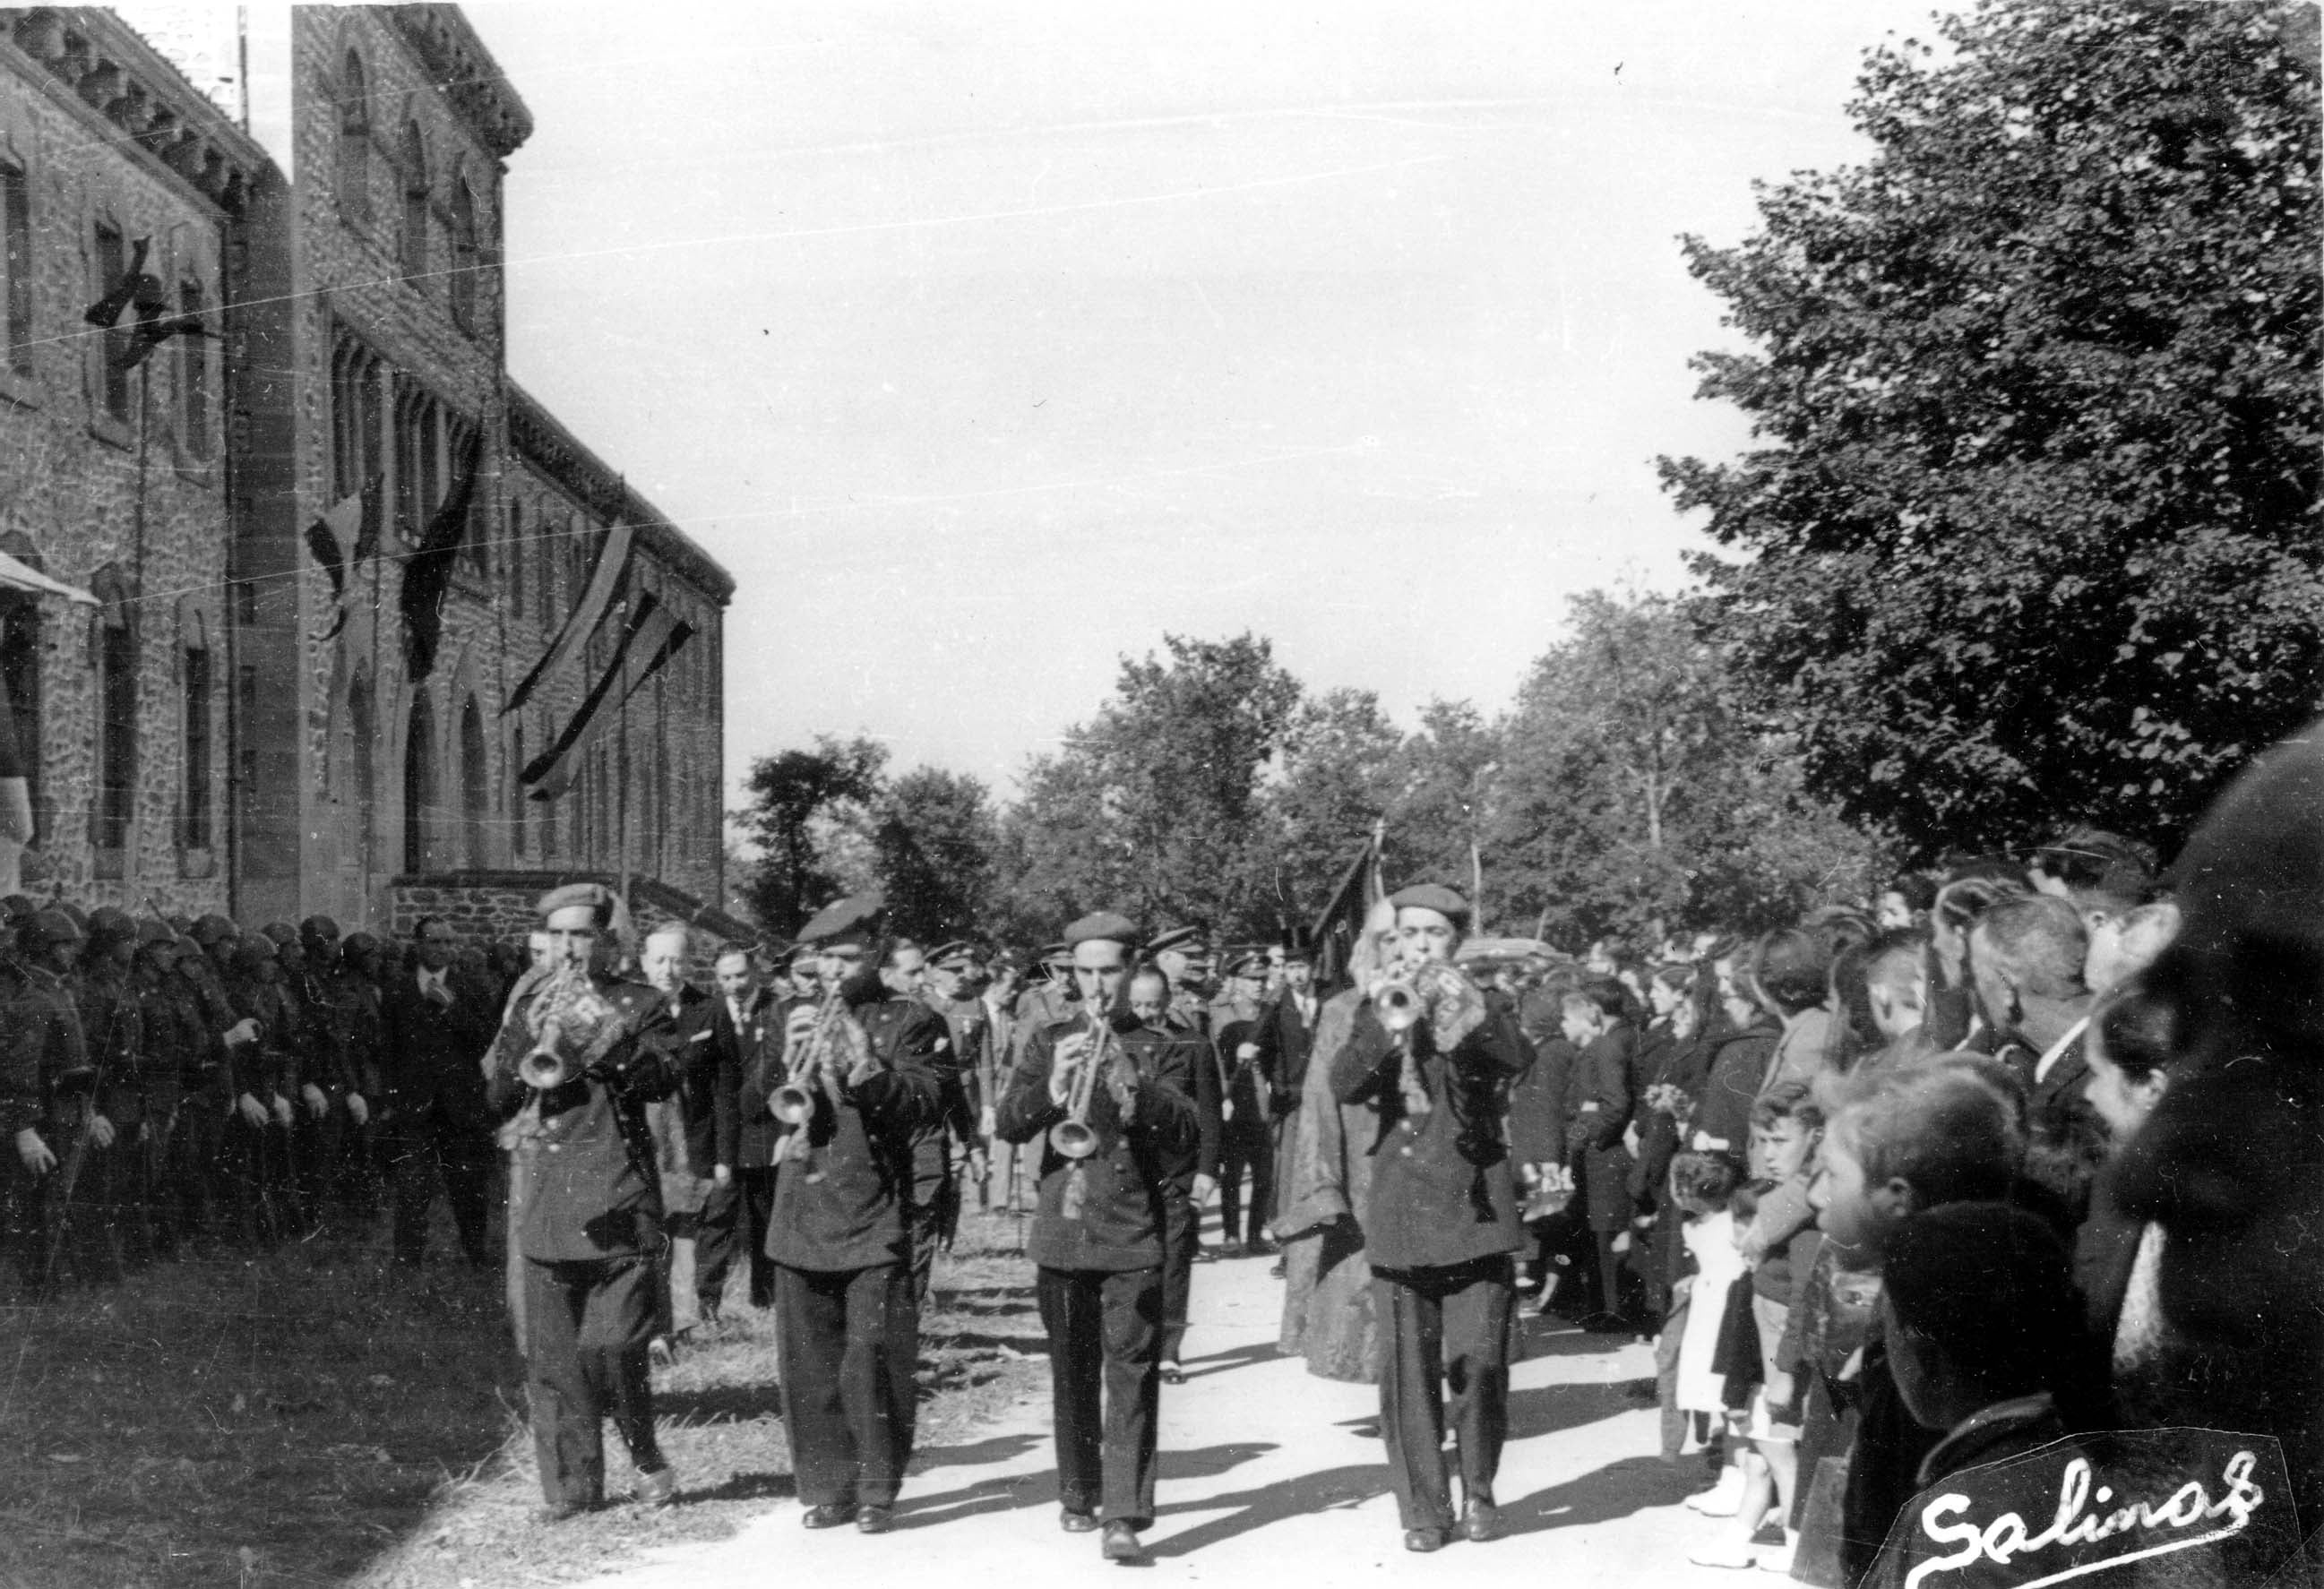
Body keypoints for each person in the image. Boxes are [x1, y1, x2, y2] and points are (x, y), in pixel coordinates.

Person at [1329, 882, 1530, 1552]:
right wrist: (1390, 1029)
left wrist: (1466, 1011)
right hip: (1403, 1210)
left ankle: (1478, 1488)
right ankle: (1422, 1510)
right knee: (1406, 1377)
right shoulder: (1376, 1005)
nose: (1420, 946)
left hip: (1475, 1204)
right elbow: (1345, 1086)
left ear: (1456, 941)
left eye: (1434, 935)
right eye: (1409, 934)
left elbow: (1516, 1059)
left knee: (1480, 1364)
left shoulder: (1487, 1004)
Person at [996, 919, 1200, 1563]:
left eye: (1108, 971)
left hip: (1132, 1227)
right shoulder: (1051, 1038)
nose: (1095, 984)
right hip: (1063, 1229)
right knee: (1072, 1373)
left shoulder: (1168, 1044)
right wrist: (1053, 1088)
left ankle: (1125, 1513)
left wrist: (1134, 1088)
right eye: (1083, 972)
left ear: (1130, 969)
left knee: (1131, 1373)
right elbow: (1006, 1122)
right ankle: (1079, 1491)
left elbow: (1190, 1128)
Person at [487, 883, 682, 1521]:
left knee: (612, 1348)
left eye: (582, 935)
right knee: (554, 1359)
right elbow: (495, 1100)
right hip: (548, 1193)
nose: (569, 948)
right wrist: (523, 1036)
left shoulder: (642, 1003)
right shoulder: (529, 999)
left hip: (618, 1189)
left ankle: (646, 1455)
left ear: (608, 939)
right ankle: (572, 1489)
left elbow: (662, 1080)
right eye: (559, 936)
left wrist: (608, 1035)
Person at [759, 893, 942, 1534]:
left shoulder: (909, 1020)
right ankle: (828, 1486)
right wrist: (788, 1063)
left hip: (874, 1205)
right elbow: (759, 1102)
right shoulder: (785, 1013)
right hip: (802, 1205)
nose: (835, 972)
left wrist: (865, 1062)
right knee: (810, 1358)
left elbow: (923, 1105)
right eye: (825, 959)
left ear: (874, 953)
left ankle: (876, 1490)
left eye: (849, 958)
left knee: (873, 1355)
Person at [379, 916, 498, 1267]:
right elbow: (388, 1049)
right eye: (435, 942)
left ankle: (475, 1252)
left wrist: (452, 1007)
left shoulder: (471, 987)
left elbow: (487, 1040)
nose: (443, 949)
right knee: (412, 1184)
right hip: (415, 1106)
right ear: (419, 946)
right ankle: (407, 1257)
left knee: (468, 1184)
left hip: (461, 1105)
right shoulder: (398, 990)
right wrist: (391, 1099)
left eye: (448, 943)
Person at [640, 924, 726, 1347]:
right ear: (644, 963)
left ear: (688, 963)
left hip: (688, 1139)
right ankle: (648, 1322)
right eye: (659, 960)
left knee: (683, 1228)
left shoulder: (709, 1010)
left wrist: (723, 1152)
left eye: (677, 960)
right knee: (644, 1227)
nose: (668, 969)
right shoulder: (630, 1006)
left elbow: (724, 1086)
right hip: (642, 1136)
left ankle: (681, 1321)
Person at [700, 945, 774, 1316]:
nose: (734, 984)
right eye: (725, 978)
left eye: (740, 975)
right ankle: (707, 1304)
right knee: (717, 1218)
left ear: (756, 973)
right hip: (723, 1135)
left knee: (765, 1215)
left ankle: (765, 1297)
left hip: (764, 1129)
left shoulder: (775, 1009)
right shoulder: (708, 1011)